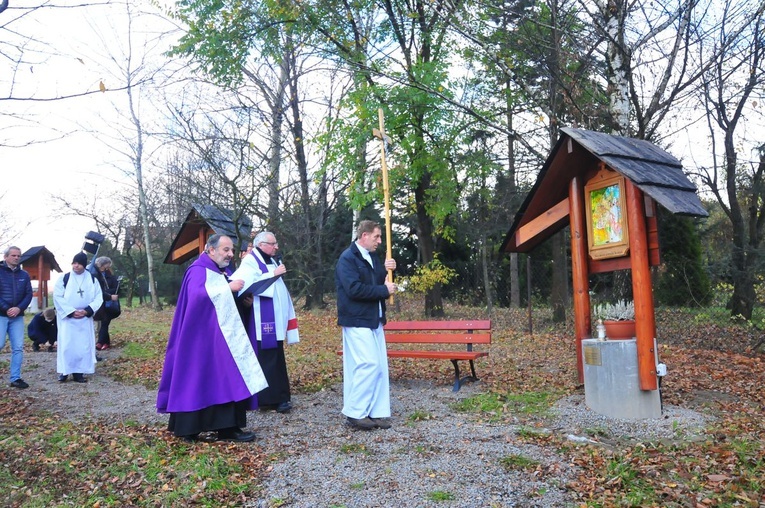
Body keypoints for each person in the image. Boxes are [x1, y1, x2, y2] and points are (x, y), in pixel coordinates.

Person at [156, 234, 268, 442]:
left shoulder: (223, 271)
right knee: (197, 377)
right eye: (226, 250)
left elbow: (224, 303)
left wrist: (243, 302)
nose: (230, 254)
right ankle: (189, 429)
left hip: (224, 339)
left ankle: (228, 428)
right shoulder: (198, 271)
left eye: (232, 250)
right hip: (200, 340)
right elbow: (199, 297)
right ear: (211, 250)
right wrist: (228, 288)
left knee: (227, 378)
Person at [335, 220, 397, 430]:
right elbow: (354, 289)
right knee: (368, 364)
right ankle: (355, 412)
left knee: (379, 366)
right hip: (356, 319)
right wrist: (384, 291)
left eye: (380, 237)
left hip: (374, 319)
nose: (379, 241)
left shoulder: (371, 258)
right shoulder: (347, 259)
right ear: (364, 236)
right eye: (376, 237)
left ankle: (376, 411)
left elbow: (377, 281)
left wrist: (388, 270)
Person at [231, 231, 299, 414]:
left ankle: (281, 395)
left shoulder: (271, 259)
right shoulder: (251, 261)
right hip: (262, 320)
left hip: (274, 317)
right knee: (267, 358)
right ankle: (270, 399)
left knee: (276, 357)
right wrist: (273, 273)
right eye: (273, 243)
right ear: (261, 245)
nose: (276, 246)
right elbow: (241, 283)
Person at [53, 252, 103, 383]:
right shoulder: (65, 278)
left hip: (84, 319)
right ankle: (65, 371)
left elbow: (99, 297)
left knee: (82, 346)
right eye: (74, 263)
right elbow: (57, 296)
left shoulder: (92, 279)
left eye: (79, 264)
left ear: (84, 265)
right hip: (68, 319)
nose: (76, 266)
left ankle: (78, 372)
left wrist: (87, 311)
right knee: (67, 345)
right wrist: (70, 311)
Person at [0, 246, 33, 389]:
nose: (16, 258)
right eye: (13, 255)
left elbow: (28, 294)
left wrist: (19, 308)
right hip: (1, 315)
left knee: (18, 348)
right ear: (6, 256)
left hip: (18, 316)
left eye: (18, 255)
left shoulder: (24, 275)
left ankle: (15, 378)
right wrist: (7, 309)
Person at [93, 256, 119, 350]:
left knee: (104, 322)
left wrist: (108, 292)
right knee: (103, 323)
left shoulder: (109, 274)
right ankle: (106, 342)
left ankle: (100, 342)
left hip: (109, 304)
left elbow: (116, 288)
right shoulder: (95, 274)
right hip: (101, 303)